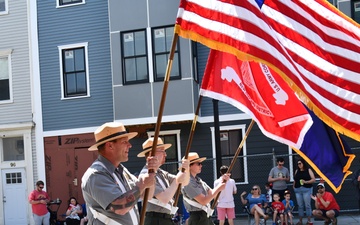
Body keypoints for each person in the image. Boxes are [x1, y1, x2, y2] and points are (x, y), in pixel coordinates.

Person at [81, 122, 160, 225]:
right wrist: (143, 184)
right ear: (110, 146)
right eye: (124, 142)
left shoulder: (121, 171)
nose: (130, 145)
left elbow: (147, 195)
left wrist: (151, 171)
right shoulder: (95, 175)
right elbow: (120, 207)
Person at [137, 137, 190, 225]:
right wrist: (177, 181)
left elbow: (184, 182)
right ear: (151, 154)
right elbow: (164, 198)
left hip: (165, 219)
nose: (165, 154)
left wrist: (186, 169)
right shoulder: (146, 174)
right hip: (155, 219)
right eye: (162, 150)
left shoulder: (162, 173)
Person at [182, 152, 228, 225]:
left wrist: (222, 181)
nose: (201, 165)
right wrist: (219, 188)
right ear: (189, 166)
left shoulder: (198, 180)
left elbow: (211, 193)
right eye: (198, 163)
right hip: (197, 218)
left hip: (205, 216)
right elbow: (203, 200)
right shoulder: (188, 182)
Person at [293, 158, 315, 225]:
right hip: (298, 189)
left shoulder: (308, 170)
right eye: (298, 164)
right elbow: (295, 179)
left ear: (303, 163)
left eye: (300, 163)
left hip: (307, 189)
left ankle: (309, 220)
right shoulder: (297, 170)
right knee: (300, 205)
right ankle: (300, 221)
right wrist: (294, 186)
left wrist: (306, 182)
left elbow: (313, 179)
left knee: (307, 205)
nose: (299, 165)